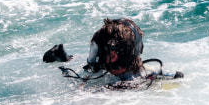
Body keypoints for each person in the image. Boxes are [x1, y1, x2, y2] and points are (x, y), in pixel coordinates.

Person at [43, 18, 183, 90]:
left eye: (96, 51)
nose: (94, 56)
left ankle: (64, 59)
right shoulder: (150, 74)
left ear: (113, 55)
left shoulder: (116, 88)